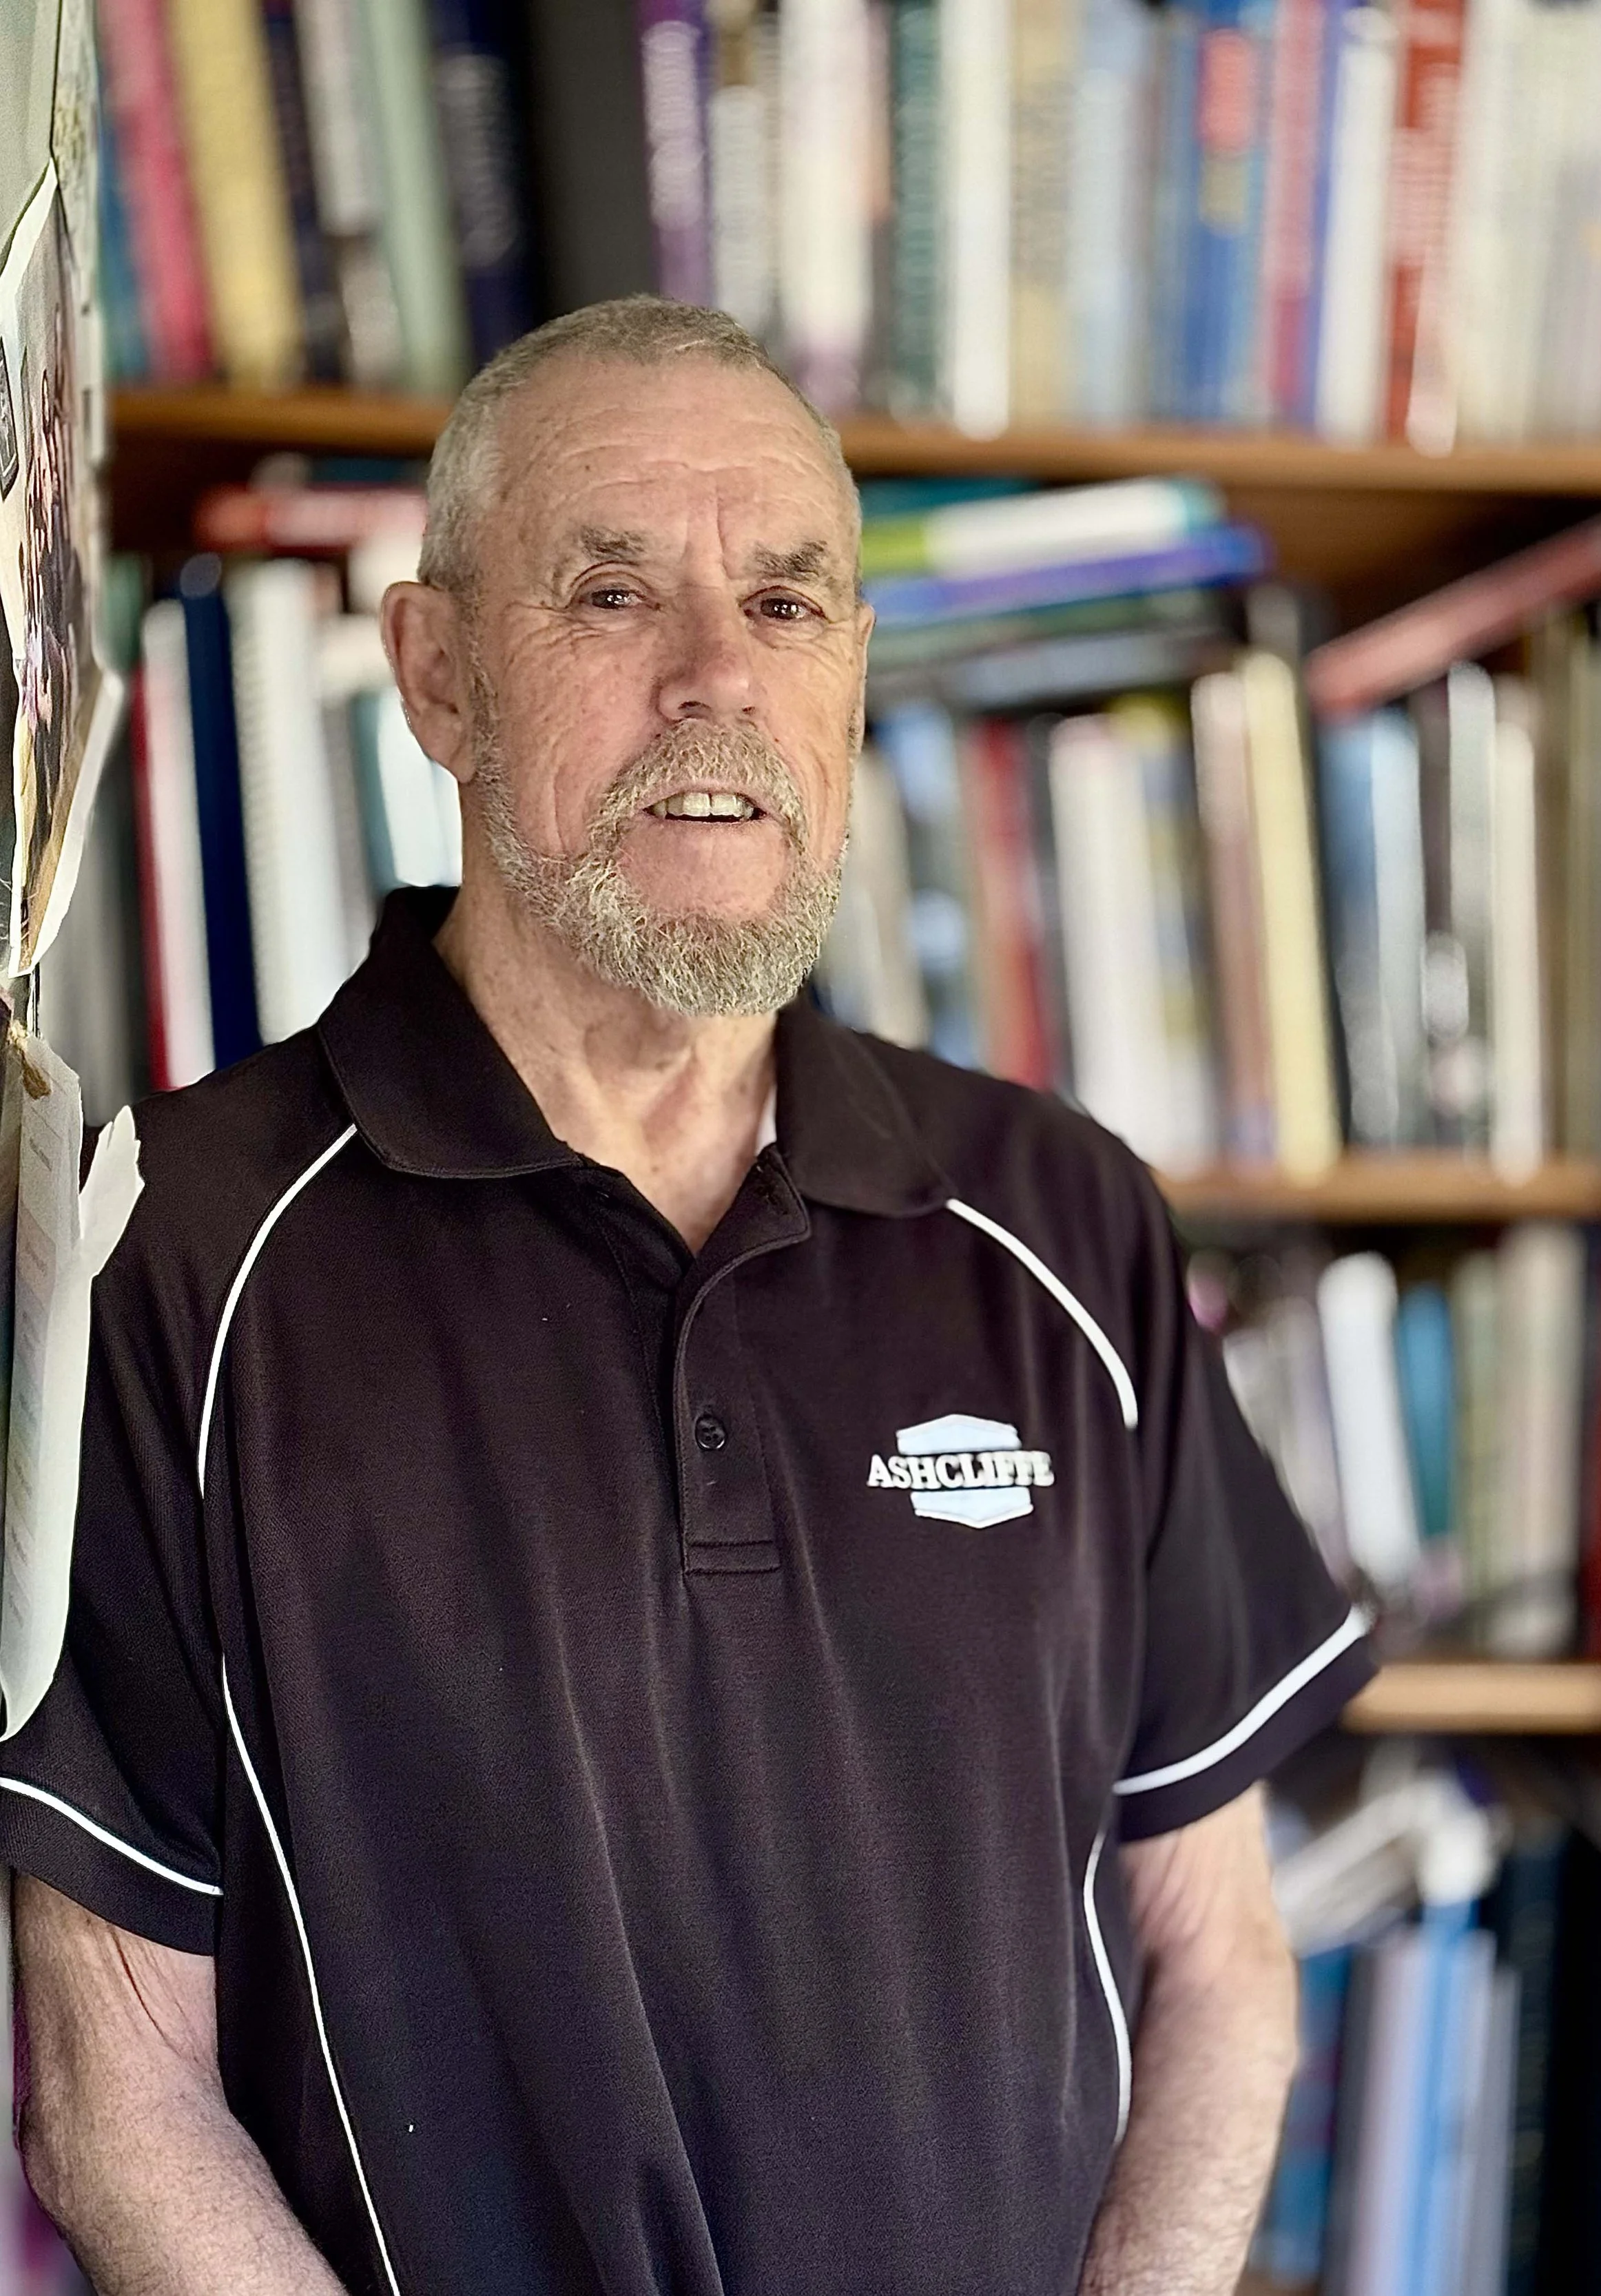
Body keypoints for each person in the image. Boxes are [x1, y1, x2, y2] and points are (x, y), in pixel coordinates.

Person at [1, 298, 1374, 2295]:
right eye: (612, 591)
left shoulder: (1057, 1222)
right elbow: (111, 2082)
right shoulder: (177, 1265)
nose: (714, 678)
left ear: (852, 674)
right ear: (438, 674)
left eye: (789, 603)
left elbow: (1216, 1958)